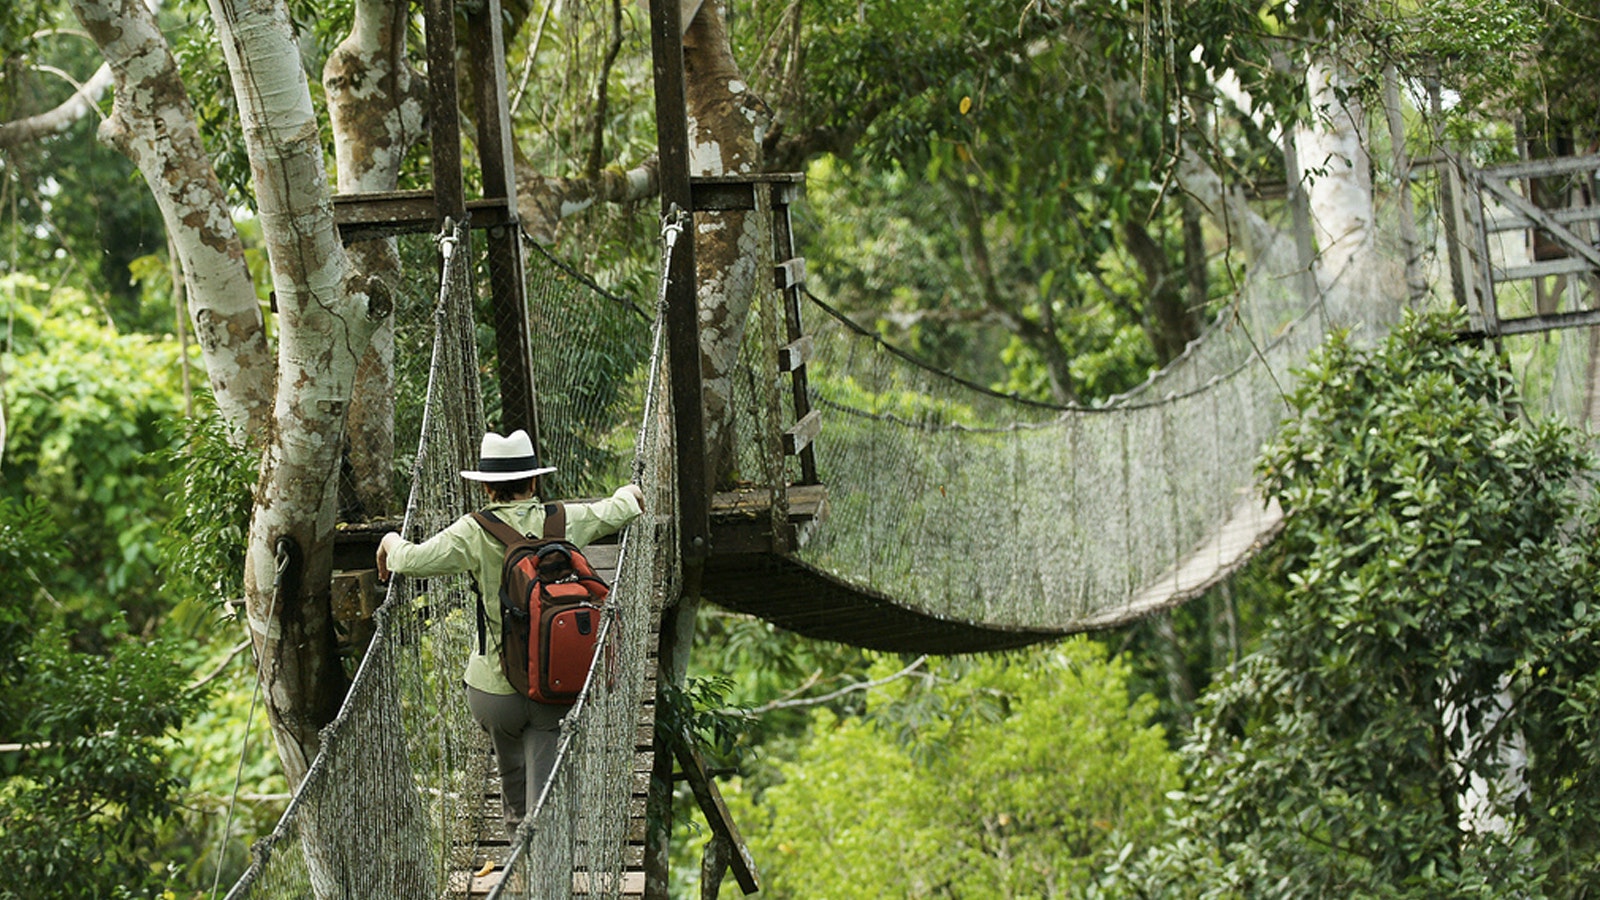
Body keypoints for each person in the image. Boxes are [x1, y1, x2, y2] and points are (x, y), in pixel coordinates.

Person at [376, 429, 643, 837]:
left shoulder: (472, 530)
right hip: (552, 686)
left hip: (493, 696)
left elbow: (410, 560)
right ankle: (540, 853)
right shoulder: (563, 519)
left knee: (510, 766)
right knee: (545, 793)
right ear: (534, 480)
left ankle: (517, 830)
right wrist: (630, 490)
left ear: (485, 486)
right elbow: (622, 509)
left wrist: (390, 540)